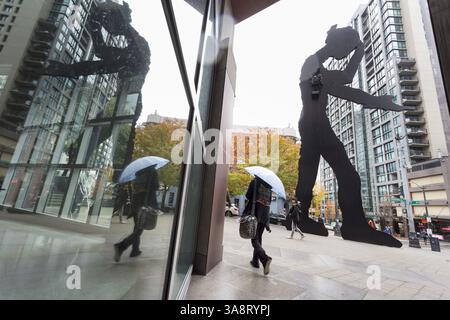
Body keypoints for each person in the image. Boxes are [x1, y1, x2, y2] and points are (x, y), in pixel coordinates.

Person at [295, 25, 414, 248]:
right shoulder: (313, 62)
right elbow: (346, 85)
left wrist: (377, 100)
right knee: (347, 175)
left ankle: (302, 218)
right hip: (316, 123)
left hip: (311, 123)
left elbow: (345, 83)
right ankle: (353, 225)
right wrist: (376, 100)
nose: (345, 54)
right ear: (336, 44)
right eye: (347, 48)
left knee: (309, 170)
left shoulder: (316, 64)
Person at [41, 1, 150, 80]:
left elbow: (100, 57)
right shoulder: (135, 49)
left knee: (105, 59)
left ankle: (62, 69)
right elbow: (100, 55)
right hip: (133, 63)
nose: (112, 32)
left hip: (134, 65)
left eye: (108, 25)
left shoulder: (136, 52)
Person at [114, 166, 159, 262]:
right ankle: (121, 246)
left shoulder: (138, 172)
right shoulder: (152, 172)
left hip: (136, 203)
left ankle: (135, 250)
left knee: (137, 227)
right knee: (139, 230)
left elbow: (134, 188)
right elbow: (155, 186)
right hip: (145, 204)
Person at [243, 178, 273, 275]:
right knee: (258, 238)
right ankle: (255, 261)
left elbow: (248, 196)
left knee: (254, 240)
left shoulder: (255, 181)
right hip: (265, 216)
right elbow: (269, 202)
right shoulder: (269, 186)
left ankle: (265, 259)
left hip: (255, 213)